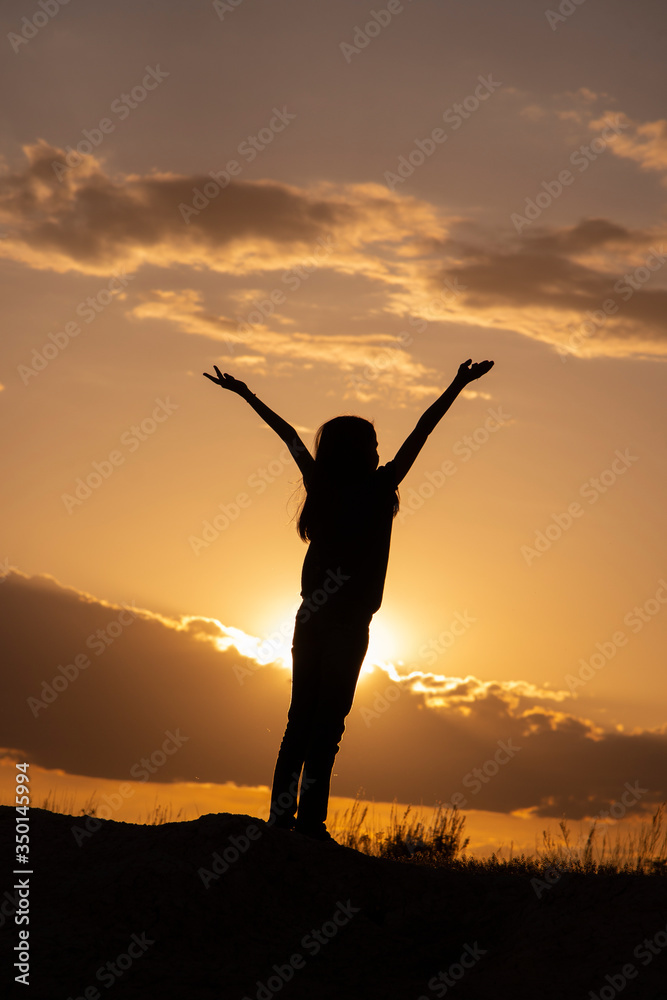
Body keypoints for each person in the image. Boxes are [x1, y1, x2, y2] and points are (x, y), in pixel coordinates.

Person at [203, 358, 494, 842]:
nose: (381, 452)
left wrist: (246, 394)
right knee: (325, 726)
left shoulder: (323, 484)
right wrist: (457, 383)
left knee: (301, 721)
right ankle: (309, 827)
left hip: (310, 618)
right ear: (357, 450)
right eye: (374, 444)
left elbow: (287, 436)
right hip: (345, 623)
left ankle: (282, 821)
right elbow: (423, 430)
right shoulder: (380, 488)